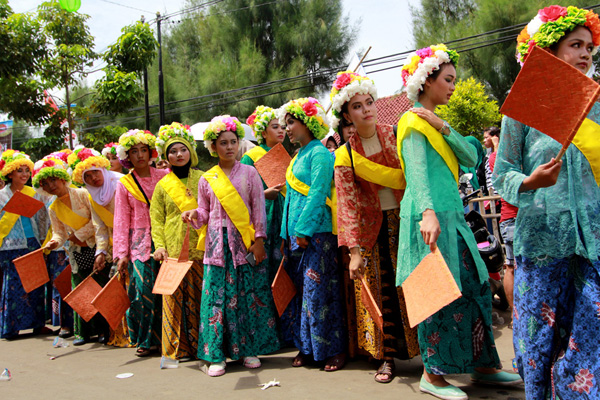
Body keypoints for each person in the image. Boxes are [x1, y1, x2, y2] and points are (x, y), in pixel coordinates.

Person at [397, 44, 521, 400]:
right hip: (429, 218)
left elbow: (471, 157)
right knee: (435, 293)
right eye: (448, 80)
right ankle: (432, 377)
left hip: (454, 218)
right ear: (426, 81)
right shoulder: (410, 120)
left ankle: (484, 365)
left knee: (475, 287)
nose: (453, 86)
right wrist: (428, 213)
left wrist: (444, 126)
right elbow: (417, 172)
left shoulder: (435, 122)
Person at [493, 6, 600, 398]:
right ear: (549, 52)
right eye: (575, 45)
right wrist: (529, 181)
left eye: (590, 46)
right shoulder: (523, 106)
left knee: (592, 334)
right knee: (537, 343)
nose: (587, 53)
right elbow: (501, 173)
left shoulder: (598, 104)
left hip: (593, 239)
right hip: (541, 240)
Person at [330, 71, 420, 383]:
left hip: (406, 221)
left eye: (369, 102)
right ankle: (387, 358)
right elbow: (348, 205)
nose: (367, 109)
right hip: (371, 230)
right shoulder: (345, 154)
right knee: (381, 294)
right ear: (346, 114)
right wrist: (354, 250)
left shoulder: (396, 134)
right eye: (357, 106)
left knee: (412, 286)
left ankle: (429, 354)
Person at [182, 115, 280, 377]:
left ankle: (248, 350)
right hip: (216, 245)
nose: (228, 147)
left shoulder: (249, 174)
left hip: (244, 244)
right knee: (217, 298)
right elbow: (205, 212)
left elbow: (259, 209)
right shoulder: (207, 179)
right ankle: (216, 355)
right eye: (222, 143)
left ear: (239, 144)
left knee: (247, 295)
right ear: (213, 147)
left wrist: (259, 241)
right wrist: (194, 215)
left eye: (233, 142)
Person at [276, 97, 347, 372]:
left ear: (307, 123)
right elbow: (291, 198)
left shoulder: (320, 154)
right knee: (303, 294)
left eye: (291, 123)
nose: (287, 129)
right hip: (296, 236)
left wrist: (303, 230)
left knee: (321, 292)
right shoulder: (296, 157)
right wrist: (285, 234)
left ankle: (334, 350)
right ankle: (307, 348)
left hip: (317, 233)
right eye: (286, 124)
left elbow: (318, 193)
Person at [34, 153, 110, 346]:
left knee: (99, 289)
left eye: (53, 180)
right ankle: (82, 332)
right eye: (45, 183)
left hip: (95, 249)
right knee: (80, 292)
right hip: (75, 252)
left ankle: (102, 330)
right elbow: (59, 233)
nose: (51, 186)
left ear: (62, 178)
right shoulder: (53, 208)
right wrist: (54, 243)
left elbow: (97, 222)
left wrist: (77, 235)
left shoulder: (83, 194)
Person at [150, 122, 205, 361]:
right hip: (173, 249)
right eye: (172, 151)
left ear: (190, 152)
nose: (178, 155)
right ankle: (177, 348)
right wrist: (159, 245)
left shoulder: (205, 178)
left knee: (202, 297)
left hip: (201, 247)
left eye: (182, 150)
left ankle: (203, 345)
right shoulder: (162, 185)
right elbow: (157, 220)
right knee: (173, 300)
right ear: (166, 156)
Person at [113, 129, 167, 357]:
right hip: (139, 244)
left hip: (164, 239)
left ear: (150, 152)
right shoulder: (125, 183)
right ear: (127, 156)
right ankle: (144, 338)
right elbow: (121, 219)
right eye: (134, 151)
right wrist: (121, 253)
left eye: (143, 150)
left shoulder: (165, 176)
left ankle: (165, 338)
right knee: (142, 291)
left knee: (164, 292)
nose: (140, 155)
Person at [75, 147, 131, 348]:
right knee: (118, 290)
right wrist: (101, 251)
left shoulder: (122, 183)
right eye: (87, 176)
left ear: (103, 170)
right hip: (114, 247)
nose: (93, 179)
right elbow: (99, 227)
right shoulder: (92, 195)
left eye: (95, 172)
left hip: (134, 241)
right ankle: (121, 332)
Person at [0, 150, 50, 339]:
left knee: (36, 285)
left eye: (27, 171)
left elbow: (42, 218)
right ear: (10, 173)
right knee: (13, 286)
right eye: (19, 171)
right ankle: (10, 327)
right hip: (10, 245)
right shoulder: (1, 196)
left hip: (33, 242)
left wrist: (44, 241)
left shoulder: (33, 194)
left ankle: (38, 324)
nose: (24, 175)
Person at [241, 105, 286, 281]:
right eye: (275, 127)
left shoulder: (286, 156)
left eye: (282, 126)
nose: (281, 130)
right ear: (263, 133)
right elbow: (242, 192)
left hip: (282, 216)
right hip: (262, 218)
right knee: (260, 268)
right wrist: (264, 193)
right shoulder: (250, 156)